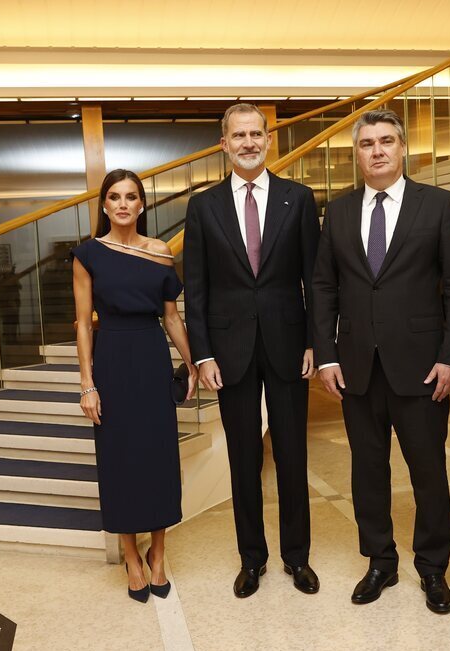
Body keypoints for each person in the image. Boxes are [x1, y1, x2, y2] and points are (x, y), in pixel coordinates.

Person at [311, 109, 450, 614]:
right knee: (367, 471)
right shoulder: (336, 213)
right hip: (358, 367)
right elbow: (322, 286)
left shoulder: (438, 205)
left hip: (424, 367)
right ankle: (380, 559)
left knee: (427, 470)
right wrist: (328, 355)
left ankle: (432, 568)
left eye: (386, 141)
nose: (376, 150)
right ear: (355, 154)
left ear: (403, 149)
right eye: (366, 144)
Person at [183, 103, 321, 598]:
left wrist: (313, 342)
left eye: (255, 134)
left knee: (291, 456)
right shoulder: (203, 207)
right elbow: (194, 289)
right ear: (223, 144)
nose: (247, 142)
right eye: (237, 135)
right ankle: (252, 559)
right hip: (229, 351)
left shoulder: (298, 199)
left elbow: (315, 281)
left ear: (269, 140)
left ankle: (297, 557)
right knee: (243, 459)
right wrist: (202, 355)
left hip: (289, 347)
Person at [72, 169, 198, 603]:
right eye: (114, 197)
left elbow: (171, 316)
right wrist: (87, 383)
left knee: (159, 457)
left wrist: (191, 361)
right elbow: (84, 325)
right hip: (111, 358)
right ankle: (131, 554)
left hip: (150, 357)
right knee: (120, 459)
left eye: (131, 197)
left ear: (142, 205)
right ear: (104, 205)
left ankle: (158, 553)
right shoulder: (88, 254)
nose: (123, 204)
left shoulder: (161, 252)